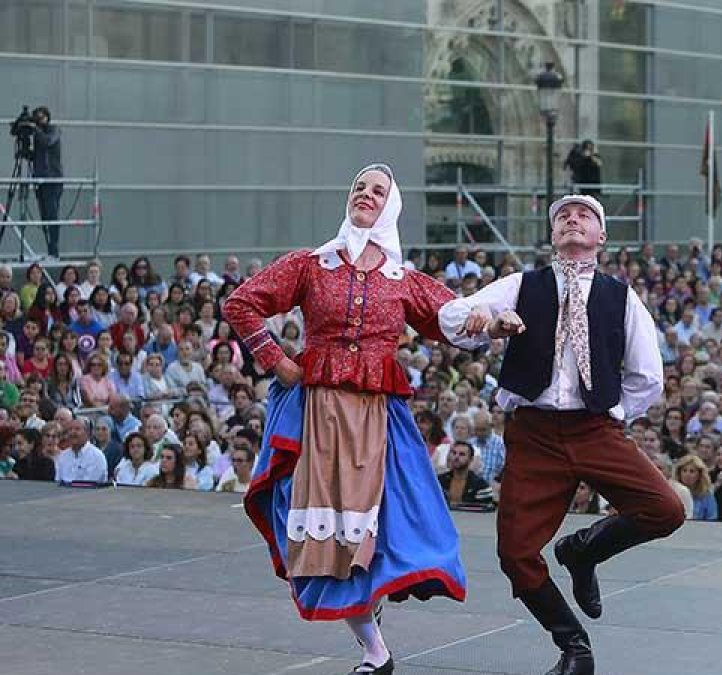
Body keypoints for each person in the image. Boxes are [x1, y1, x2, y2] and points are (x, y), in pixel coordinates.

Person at [225, 163, 466, 675]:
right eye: (360, 187)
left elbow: (457, 317)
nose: (366, 195)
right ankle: (375, 649)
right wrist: (279, 362)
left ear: (391, 205)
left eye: (378, 191)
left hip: (377, 418)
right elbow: (240, 304)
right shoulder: (313, 264)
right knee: (322, 530)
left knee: (392, 518)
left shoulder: (404, 279)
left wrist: (499, 318)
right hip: (317, 413)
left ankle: (375, 610)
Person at [440, 194, 683, 675]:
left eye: (586, 216)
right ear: (553, 236)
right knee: (515, 553)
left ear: (601, 237)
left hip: (594, 427)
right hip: (534, 433)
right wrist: (490, 325)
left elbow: (647, 375)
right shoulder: (521, 285)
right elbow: (452, 318)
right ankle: (574, 645)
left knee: (666, 509)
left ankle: (582, 550)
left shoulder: (620, 295)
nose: (574, 220)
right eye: (564, 217)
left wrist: (611, 413)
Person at [28, 106, 62, 259]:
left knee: (51, 213)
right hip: (40, 178)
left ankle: (54, 250)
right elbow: (35, 156)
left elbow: (49, 142)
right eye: (36, 118)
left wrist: (35, 129)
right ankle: (49, 248)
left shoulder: (53, 130)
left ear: (48, 117)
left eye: (41, 118)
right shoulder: (37, 134)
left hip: (52, 178)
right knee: (44, 214)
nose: (39, 121)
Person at [437, 441, 494, 507]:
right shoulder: (439, 482)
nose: (456, 457)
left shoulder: (481, 486)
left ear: (471, 459)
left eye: (462, 454)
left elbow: (484, 513)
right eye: (454, 453)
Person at [54, 418, 107, 484]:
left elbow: (89, 485)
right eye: (70, 429)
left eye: (77, 429)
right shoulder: (62, 456)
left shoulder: (97, 457)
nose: (73, 432)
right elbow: (57, 482)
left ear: (87, 433)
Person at [674, 453, 717, 521]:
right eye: (684, 471)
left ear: (699, 474)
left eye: (692, 471)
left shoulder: (706, 495)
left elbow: (712, 519)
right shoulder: (674, 492)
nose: (687, 474)